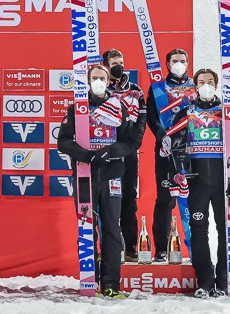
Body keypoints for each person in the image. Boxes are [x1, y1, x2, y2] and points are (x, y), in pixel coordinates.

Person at [57, 64, 143, 299]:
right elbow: (63, 141)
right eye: (94, 78)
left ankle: (111, 284)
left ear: (108, 82)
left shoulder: (118, 106)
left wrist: (110, 151)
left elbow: (131, 141)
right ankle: (90, 280)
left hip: (112, 174)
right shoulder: (77, 107)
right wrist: (86, 155)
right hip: (85, 174)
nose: (98, 82)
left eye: (102, 78)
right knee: (87, 227)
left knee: (112, 229)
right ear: (87, 81)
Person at [180, 69, 230, 298]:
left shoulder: (228, 112)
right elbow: (174, 145)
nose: (206, 86)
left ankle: (223, 281)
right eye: (202, 82)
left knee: (225, 230)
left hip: (223, 184)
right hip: (197, 183)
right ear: (195, 86)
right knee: (198, 230)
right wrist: (178, 174)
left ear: (217, 85)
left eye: (210, 82)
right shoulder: (187, 112)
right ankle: (205, 281)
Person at [102, 49, 161, 263]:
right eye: (114, 63)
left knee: (129, 199)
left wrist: (133, 143)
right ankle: (108, 250)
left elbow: (142, 120)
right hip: (106, 151)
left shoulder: (134, 90)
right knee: (107, 202)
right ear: (105, 65)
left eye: (121, 61)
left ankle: (131, 247)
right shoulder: (101, 88)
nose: (118, 66)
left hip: (128, 152)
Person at [146, 48, 196, 263]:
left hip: (191, 150)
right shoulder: (158, 87)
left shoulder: (195, 86)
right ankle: (161, 248)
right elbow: (151, 116)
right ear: (167, 64)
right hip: (166, 150)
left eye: (182, 61)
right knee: (165, 199)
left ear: (187, 63)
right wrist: (160, 135)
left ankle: (195, 246)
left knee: (193, 198)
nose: (179, 64)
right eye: (175, 60)